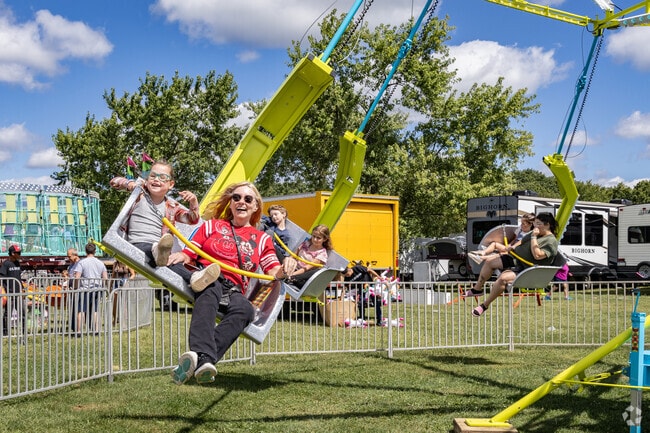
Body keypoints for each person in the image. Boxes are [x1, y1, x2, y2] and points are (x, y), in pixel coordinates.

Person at [168, 182, 290, 385]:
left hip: (233, 288)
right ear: (231, 203)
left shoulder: (261, 239)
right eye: (236, 198)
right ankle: (206, 359)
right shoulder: (212, 225)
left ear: (255, 206)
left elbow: (273, 270)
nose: (241, 202)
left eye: (248, 199)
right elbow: (191, 251)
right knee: (210, 285)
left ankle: (200, 358)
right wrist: (180, 255)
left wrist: (287, 267)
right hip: (207, 276)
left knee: (246, 310)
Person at [465, 212, 559, 317]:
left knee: (503, 278)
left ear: (547, 225)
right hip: (516, 259)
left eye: (538, 224)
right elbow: (522, 240)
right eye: (535, 223)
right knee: (489, 262)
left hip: (528, 270)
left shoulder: (550, 241)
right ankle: (477, 289)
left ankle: (484, 305)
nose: (535, 226)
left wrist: (533, 237)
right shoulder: (534, 233)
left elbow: (538, 255)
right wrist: (513, 247)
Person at [109, 159, 200, 268]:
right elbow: (114, 181)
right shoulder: (140, 193)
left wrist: (193, 202)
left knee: (174, 264)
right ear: (146, 180)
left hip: (161, 251)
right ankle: (159, 251)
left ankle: (195, 277)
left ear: (170, 184)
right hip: (138, 244)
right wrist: (130, 184)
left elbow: (191, 219)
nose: (156, 179)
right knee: (156, 252)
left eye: (162, 177)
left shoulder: (172, 207)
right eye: (152, 176)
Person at [468, 213, 535, 264]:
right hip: (511, 248)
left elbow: (521, 242)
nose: (521, 225)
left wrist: (512, 247)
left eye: (523, 224)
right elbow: (515, 239)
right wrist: (509, 245)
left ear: (530, 225)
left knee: (502, 254)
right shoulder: (520, 230)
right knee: (494, 244)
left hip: (517, 252)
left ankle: (481, 258)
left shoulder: (531, 234)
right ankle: (483, 252)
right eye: (521, 223)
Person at [73, 243, 108, 333]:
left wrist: (76, 287)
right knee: (95, 310)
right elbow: (105, 278)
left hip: (84, 289)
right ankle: (96, 330)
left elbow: (77, 277)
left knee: (81, 310)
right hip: (96, 289)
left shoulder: (82, 262)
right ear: (95, 251)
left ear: (85, 251)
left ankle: (79, 331)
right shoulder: (100, 263)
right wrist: (104, 288)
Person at [1, 245, 23, 335]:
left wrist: (22, 288)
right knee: (7, 314)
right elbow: (1, 277)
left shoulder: (18, 263)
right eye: (18, 253)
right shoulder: (6, 264)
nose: (20, 254)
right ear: (13, 253)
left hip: (18, 293)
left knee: (23, 312)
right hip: (9, 294)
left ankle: (23, 331)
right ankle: (5, 332)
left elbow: (19, 277)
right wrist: (5, 291)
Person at [66, 248, 81, 332]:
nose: (68, 258)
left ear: (75, 255)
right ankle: (73, 326)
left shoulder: (80, 264)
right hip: (71, 288)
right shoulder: (71, 265)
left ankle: (78, 327)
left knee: (78, 308)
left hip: (78, 288)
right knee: (72, 308)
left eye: (69, 256)